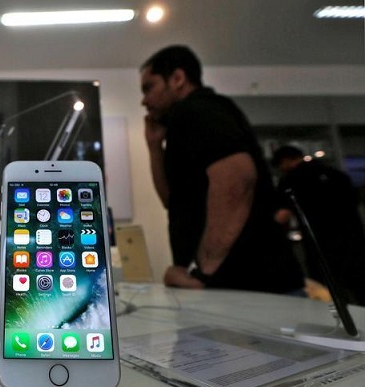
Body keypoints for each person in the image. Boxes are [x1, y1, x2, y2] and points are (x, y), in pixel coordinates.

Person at [140, 45, 304, 294]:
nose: (144, 100)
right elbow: (171, 201)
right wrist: (155, 147)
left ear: (177, 79)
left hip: (245, 287)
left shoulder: (195, 110)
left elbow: (237, 177)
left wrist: (203, 271)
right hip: (246, 287)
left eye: (149, 88)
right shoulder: (196, 115)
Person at [272, 145, 365, 305]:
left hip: (320, 245)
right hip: (353, 241)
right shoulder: (337, 174)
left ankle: (343, 327)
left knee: (329, 296)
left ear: (285, 161)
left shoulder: (290, 180)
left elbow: (282, 216)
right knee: (360, 286)